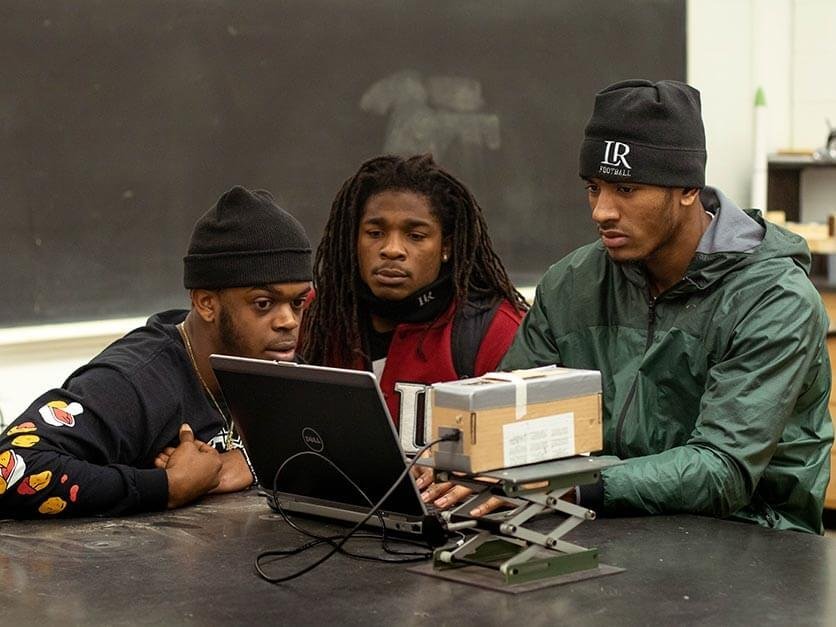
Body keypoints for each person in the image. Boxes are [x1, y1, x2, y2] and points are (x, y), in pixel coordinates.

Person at [501, 79, 833, 534]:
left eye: (627, 190)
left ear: (688, 189)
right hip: (599, 522)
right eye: (594, 188)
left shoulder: (775, 299)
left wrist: (572, 484)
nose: (601, 211)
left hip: (749, 538)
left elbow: (723, 469)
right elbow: (511, 414)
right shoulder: (571, 282)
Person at [0, 186, 312, 518]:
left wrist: (249, 461)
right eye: (263, 304)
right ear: (206, 303)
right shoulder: (133, 383)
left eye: (297, 303)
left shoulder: (276, 366)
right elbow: (10, 467)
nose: (288, 321)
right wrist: (167, 486)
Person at [300, 154, 528, 508]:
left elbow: (533, 451)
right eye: (375, 233)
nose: (391, 250)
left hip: (448, 538)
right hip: (326, 520)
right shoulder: (317, 316)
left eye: (415, 235)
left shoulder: (493, 328)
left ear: (447, 246)